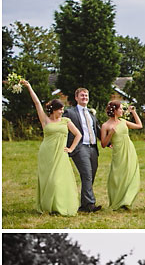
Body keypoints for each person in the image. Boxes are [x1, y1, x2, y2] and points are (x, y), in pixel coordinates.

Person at [21, 79, 81, 216]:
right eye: (60, 109)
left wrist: (71, 149)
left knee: (58, 180)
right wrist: (29, 87)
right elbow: (37, 103)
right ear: (53, 110)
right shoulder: (45, 120)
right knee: (48, 179)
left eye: (63, 109)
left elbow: (78, 135)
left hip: (61, 153)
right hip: (47, 152)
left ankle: (59, 205)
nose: (62, 111)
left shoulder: (66, 121)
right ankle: (48, 205)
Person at [62, 87, 102, 212]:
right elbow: (62, 127)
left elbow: (97, 129)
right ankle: (90, 204)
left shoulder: (91, 113)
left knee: (91, 175)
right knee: (87, 174)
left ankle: (84, 205)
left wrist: (108, 141)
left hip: (93, 148)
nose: (84, 97)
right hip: (80, 147)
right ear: (76, 98)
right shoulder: (70, 112)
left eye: (86, 95)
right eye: (82, 95)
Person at [99, 100, 142, 210]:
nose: (122, 110)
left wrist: (133, 112)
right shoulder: (105, 126)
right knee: (117, 176)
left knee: (130, 174)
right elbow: (103, 144)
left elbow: (139, 125)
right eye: (120, 109)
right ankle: (117, 200)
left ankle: (126, 201)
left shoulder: (123, 121)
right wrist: (110, 134)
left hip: (129, 150)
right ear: (115, 110)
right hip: (118, 152)